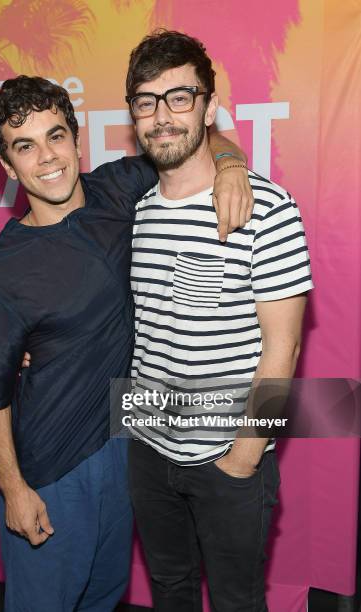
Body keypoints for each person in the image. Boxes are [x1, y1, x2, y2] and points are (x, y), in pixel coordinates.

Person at [0, 74, 251, 612]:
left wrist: (232, 167)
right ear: (7, 166)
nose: (46, 157)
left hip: (125, 450)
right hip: (52, 471)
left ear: (76, 140)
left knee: (105, 597)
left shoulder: (117, 189)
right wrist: (15, 489)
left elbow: (194, 141)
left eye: (55, 136)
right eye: (25, 146)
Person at [124, 30, 313, 612]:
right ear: (132, 112)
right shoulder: (136, 209)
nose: (163, 116)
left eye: (180, 98)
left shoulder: (269, 208)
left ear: (208, 105)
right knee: (171, 592)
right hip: (146, 447)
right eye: (147, 101)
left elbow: (284, 352)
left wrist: (244, 457)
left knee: (236, 601)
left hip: (228, 458)